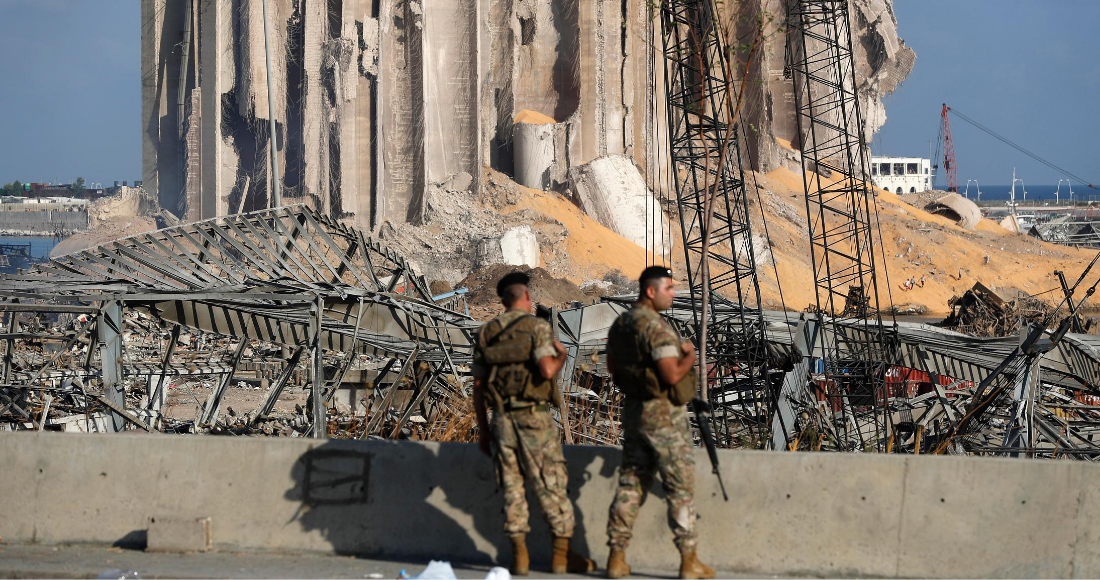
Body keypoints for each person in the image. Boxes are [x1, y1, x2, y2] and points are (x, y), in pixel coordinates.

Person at [472, 271, 595, 576]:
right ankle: (561, 557)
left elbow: (478, 386)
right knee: (551, 484)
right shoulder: (537, 328)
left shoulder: (487, 333)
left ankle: (520, 557)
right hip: (534, 418)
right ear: (526, 297)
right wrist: (561, 356)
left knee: (512, 487)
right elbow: (546, 369)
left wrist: (484, 430)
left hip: (502, 420)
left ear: (503, 300)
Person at [603, 266, 715, 580]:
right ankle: (689, 561)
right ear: (650, 292)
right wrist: (690, 355)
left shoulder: (622, 323)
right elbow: (671, 375)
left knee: (630, 484)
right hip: (664, 418)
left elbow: (611, 366)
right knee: (679, 487)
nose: (673, 294)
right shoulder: (656, 327)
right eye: (669, 288)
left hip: (635, 413)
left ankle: (616, 558)